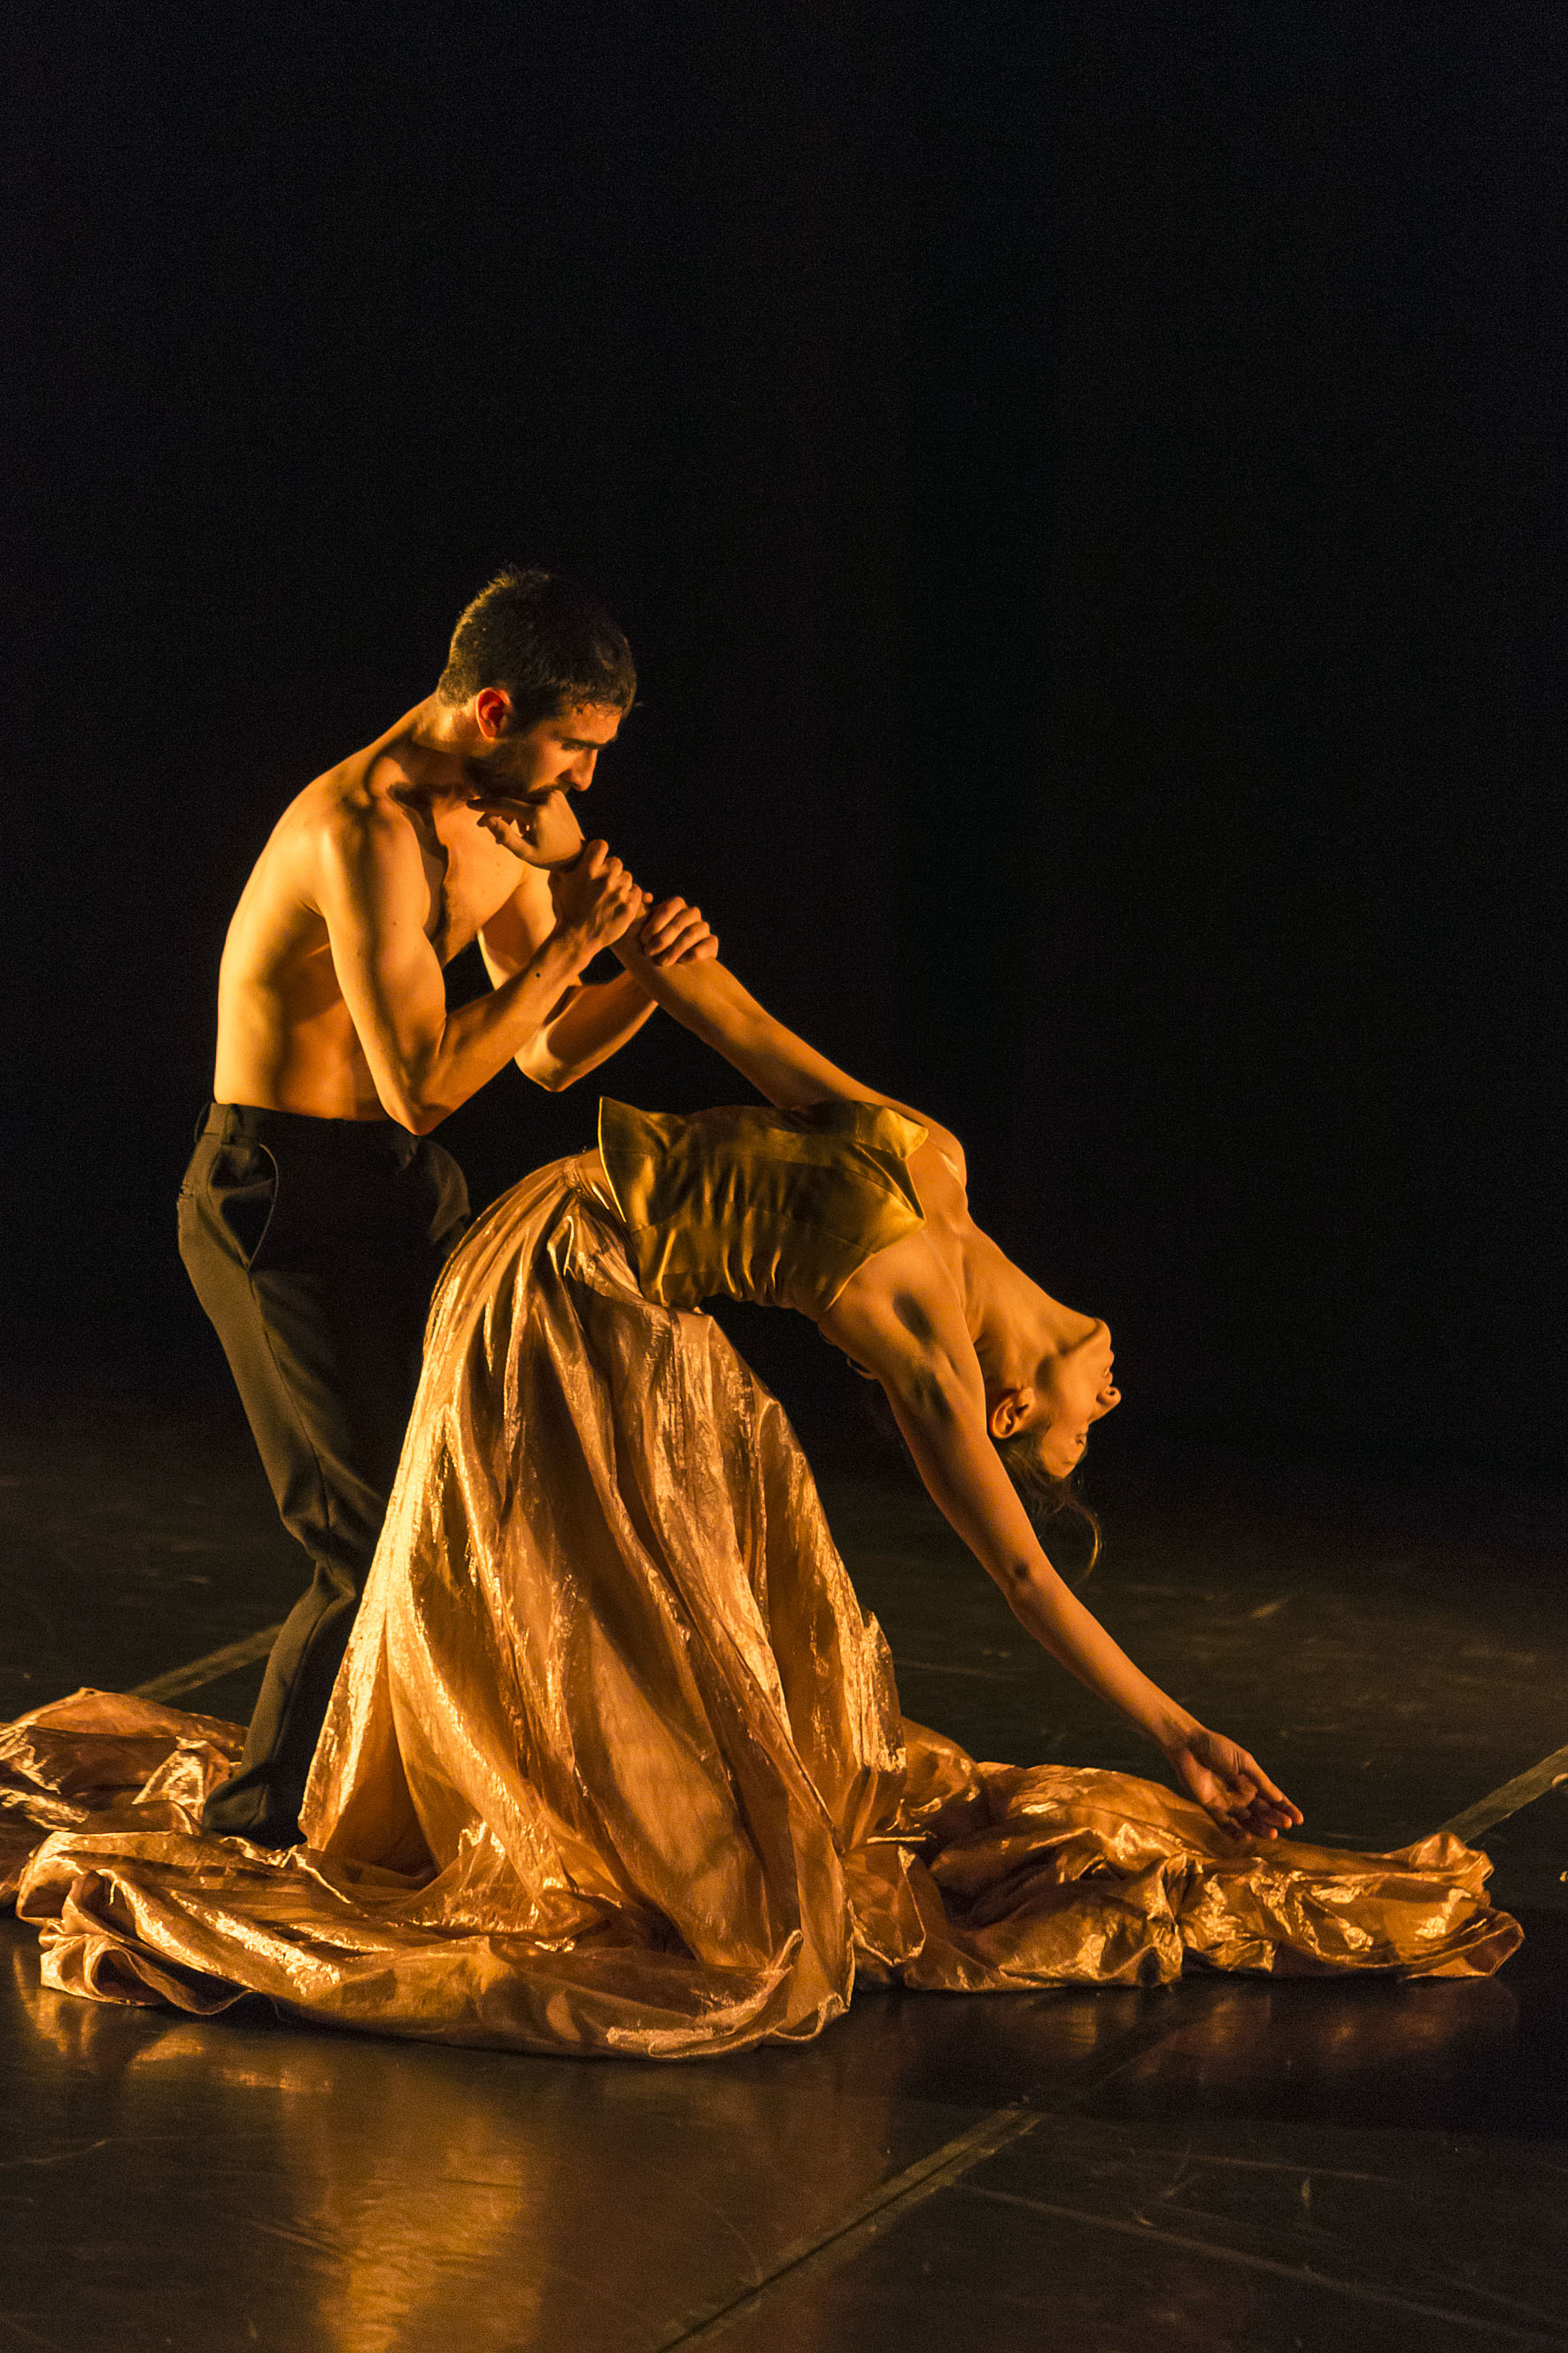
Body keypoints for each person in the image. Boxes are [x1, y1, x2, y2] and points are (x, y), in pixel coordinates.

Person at [9, 926, 1519, 2055]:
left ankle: (600, 1803)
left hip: (599, 1287)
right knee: (664, 1570)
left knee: (705, 1608)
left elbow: (1022, 1575)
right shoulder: (936, 1165)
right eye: (1087, 1429)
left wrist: (1178, 1730)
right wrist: (663, 951)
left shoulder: (930, 1351)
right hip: (562, 1262)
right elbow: (742, 1028)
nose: (1107, 1404)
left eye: (1073, 1439)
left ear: (1004, 1411)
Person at [180, 566, 715, 1845]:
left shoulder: (507, 812)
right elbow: (420, 1085)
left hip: (399, 1189)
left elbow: (545, 1053)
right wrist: (575, 945)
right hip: (279, 1197)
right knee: (369, 1535)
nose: (587, 780)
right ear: (493, 710)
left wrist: (644, 976)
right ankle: (257, 1832)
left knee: (477, 1501)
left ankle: (408, 1801)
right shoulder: (360, 826)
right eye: (574, 747)